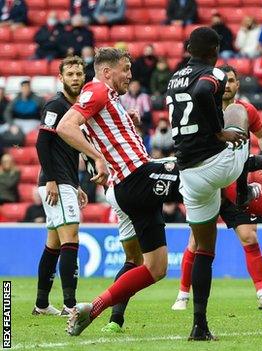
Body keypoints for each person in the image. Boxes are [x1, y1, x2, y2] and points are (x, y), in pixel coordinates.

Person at [161, 29, 262, 340]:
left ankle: (201, 324)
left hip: (191, 173)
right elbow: (203, 94)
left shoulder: (175, 77)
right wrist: (222, 134)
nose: (227, 83)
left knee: (212, 244)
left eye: (231, 81)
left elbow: (196, 100)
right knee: (239, 119)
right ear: (215, 51)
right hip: (216, 166)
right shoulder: (214, 80)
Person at [57, 48, 178, 337]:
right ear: (107, 72)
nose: (130, 75)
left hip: (134, 184)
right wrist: (96, 157)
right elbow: (65, 126)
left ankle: (95, 308)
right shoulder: (97, 90)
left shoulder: (110, 99)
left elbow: (102, 130)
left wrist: (128, 121)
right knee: (202, 170)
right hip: (137, 178)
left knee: (156, 266)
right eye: (126, 69)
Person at [31, 57, 88, 317]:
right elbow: (42, 143)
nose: (75, 78)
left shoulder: (73, 107)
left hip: (65, 182)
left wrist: (74, 185)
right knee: (71, 239)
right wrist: (53, 179)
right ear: (61, 77)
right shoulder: (56, 104)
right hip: (55, 182)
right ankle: (70, 305)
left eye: (79, 73)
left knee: (53, 244)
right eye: (70, 74)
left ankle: (42, 304)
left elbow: (65, 150)